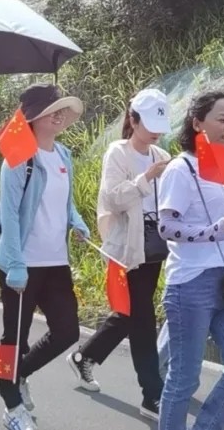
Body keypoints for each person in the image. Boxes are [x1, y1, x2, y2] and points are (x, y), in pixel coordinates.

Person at [65, 88, 172, 420]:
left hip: (154, 247)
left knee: (130, 312)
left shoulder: (161, 154)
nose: (155, 133)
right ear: (132, 120)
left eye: (160, 126)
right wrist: (145, 179)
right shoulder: (118, 152)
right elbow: (111, 198)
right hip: (127, 248)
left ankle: (84, 356)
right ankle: (152, 395)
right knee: (142, 320)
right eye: (149, 124)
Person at [155, 90, 224, 430]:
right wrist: (211, 232)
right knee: (185, 378)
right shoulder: (181, 168)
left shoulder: (218, 163)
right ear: (198, 124)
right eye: (222, 119)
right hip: (190, 284)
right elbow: (166, 226)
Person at [0, 83, 91, 430]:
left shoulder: (62, 155)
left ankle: (19, 375)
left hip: (56, 263)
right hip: (22, 264)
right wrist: (16, 265)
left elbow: (65, 202)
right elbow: (8, 216)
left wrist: (76, 221)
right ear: (33, 118)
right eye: (52, 111)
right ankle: (11, 407)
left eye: (63, 110)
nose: (60, 116)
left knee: (67, 331)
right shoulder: (18, 159)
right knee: (12, 340)